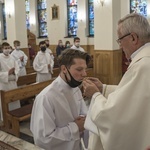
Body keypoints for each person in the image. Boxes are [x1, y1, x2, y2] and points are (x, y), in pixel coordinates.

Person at [83, 13, 150, 150]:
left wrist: (95, 95)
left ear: (133, 38)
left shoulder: (142, 66)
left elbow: (113, 117)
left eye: (119, 40)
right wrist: (104, 88)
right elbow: (135, 97)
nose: (119, 46)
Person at [30, 49, 90, 150]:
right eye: (79, 70)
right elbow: (43, 139)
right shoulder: (46, 97)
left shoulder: (75, 89)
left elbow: (84, 116)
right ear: (64, 69)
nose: (84, 74)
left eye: (85, 69)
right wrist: (75, 128)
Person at [0, 42, 20, 120]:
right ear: (2, 49)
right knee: (4, 102)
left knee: (14, 100)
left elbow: (17, 68)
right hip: (4, 84)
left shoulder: (12, 57)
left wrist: (15, 72)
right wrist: (7, 73)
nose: (7, 50)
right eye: (5, 48)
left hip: (13, 83)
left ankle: (15, 117)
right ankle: (5, 118)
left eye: (8, 48)